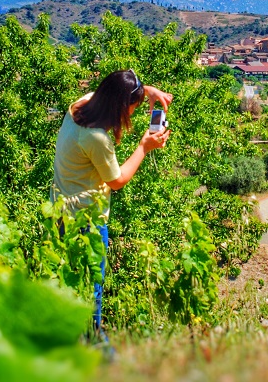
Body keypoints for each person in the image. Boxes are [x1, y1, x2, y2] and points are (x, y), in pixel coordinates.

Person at [52, 69, 172, 345]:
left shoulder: (84, 104)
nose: (132, 114)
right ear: (120, 106)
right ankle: (102, 356)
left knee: (69, 287)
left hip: (60, 211)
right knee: (90, 294)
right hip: (85, 221)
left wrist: (148, 91)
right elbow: (117, 181)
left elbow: (114, 93)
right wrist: (144, 147)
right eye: (133, 107)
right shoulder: (96, 138)